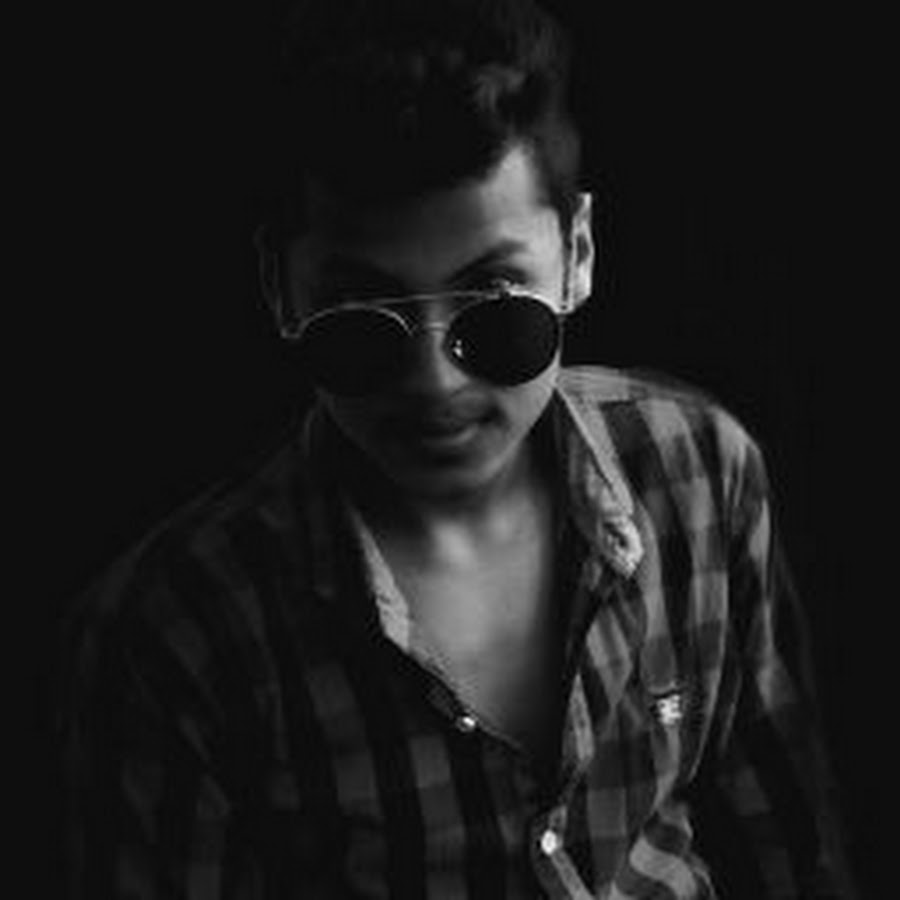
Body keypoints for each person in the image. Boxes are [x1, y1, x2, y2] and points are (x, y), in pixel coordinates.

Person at [57, 0, 857, 896]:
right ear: (280, 288)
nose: (434, 384)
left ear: (578, 254)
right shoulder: (175, 637)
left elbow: (793, 850)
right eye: (363, 318)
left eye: (495, 304)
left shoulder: (702, 472)